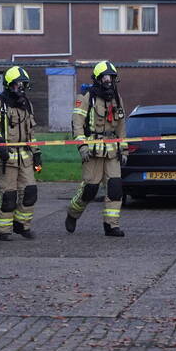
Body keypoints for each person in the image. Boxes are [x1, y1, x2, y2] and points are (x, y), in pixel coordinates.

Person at [65, 61, 127, 237]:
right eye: (105, 77)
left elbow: (121, 126)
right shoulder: (86, 96)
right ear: (98, 79)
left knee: (115, 187)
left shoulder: (117, 97)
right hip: (92, 150)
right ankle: (73, 213)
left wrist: (124, 149)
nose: (109, 80)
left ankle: (111, 225)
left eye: (111, 77)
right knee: (90, 189)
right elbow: (77, 124)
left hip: (112, 150)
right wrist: (82, 146)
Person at [0, 66, 42, 241]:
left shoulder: (27, 105)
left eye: (23, 85)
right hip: (6, 156)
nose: (21, 89)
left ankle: (22, 225)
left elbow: (31, 132)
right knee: (9, 195)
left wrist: (36, 152)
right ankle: (4, 230)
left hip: (25, 157)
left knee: (30, 191)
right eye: (18, 85)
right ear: (9, 85)